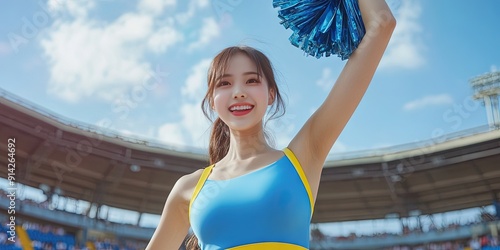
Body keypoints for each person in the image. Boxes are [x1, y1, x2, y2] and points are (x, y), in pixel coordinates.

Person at [146, 1, 395, 249]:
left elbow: (382, 24)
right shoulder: (188, 189)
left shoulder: (304, 156)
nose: (239, 92)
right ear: (212, 100)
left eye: (252, 80)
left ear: (271, 94)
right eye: (224, 83)